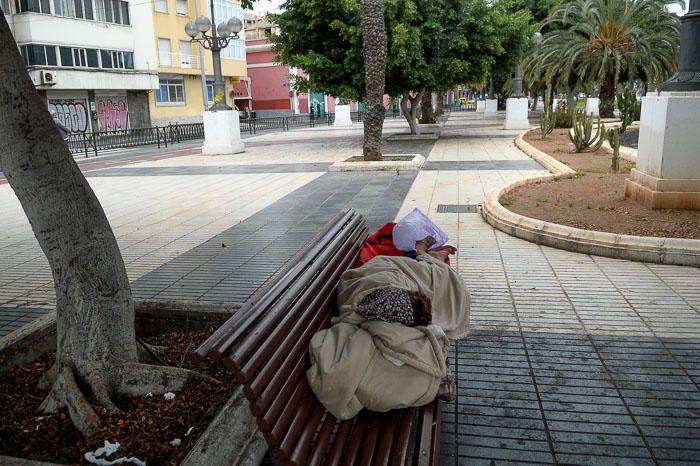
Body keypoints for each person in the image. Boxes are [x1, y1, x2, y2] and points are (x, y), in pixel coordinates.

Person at [306, 237, 468, 420]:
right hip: (380, 283)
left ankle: (426, 257)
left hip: (389, 279)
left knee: (442, 280)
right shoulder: (378, 308)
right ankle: (426, 257)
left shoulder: (393, 300)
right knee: (440, 281)